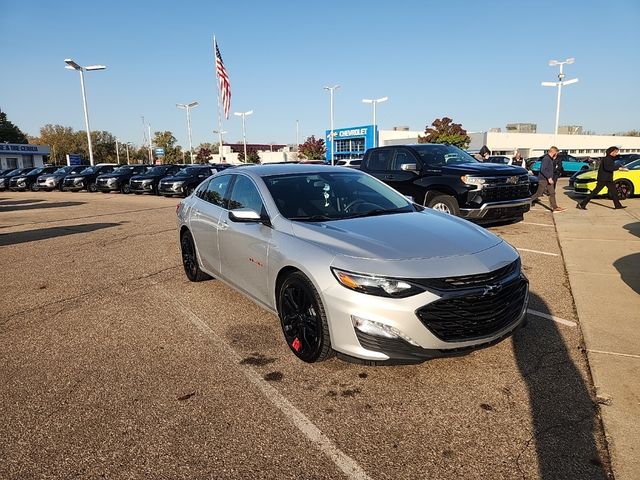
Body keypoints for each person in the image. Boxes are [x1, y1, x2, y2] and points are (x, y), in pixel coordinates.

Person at [529, 146, 565, 212]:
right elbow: (543, 169)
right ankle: (528, 202)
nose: (556, 154)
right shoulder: (546, 158)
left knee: (552, 193)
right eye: (556, 153)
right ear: (553, 152)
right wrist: (549, 178)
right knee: (539, 193)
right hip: (543, 179)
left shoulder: (550, 158)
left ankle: (555, 207)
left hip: (549, 179)